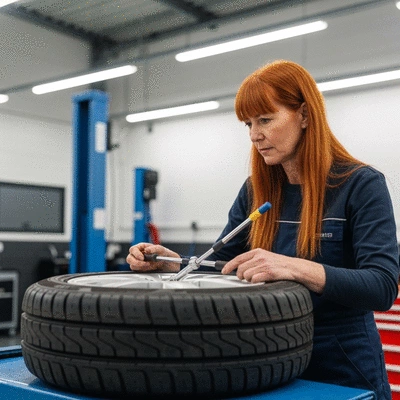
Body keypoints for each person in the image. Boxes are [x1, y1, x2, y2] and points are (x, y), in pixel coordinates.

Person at [126, 60, 400, 399]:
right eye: (249, 124)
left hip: (343, 365)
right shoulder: (256, 191)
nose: (255, 135)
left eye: (266, 120)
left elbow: (382, 286)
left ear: (303, 114)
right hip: (269, 359)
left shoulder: (360, 185)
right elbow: (222, 263)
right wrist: (170, 263)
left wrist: (293, 267)